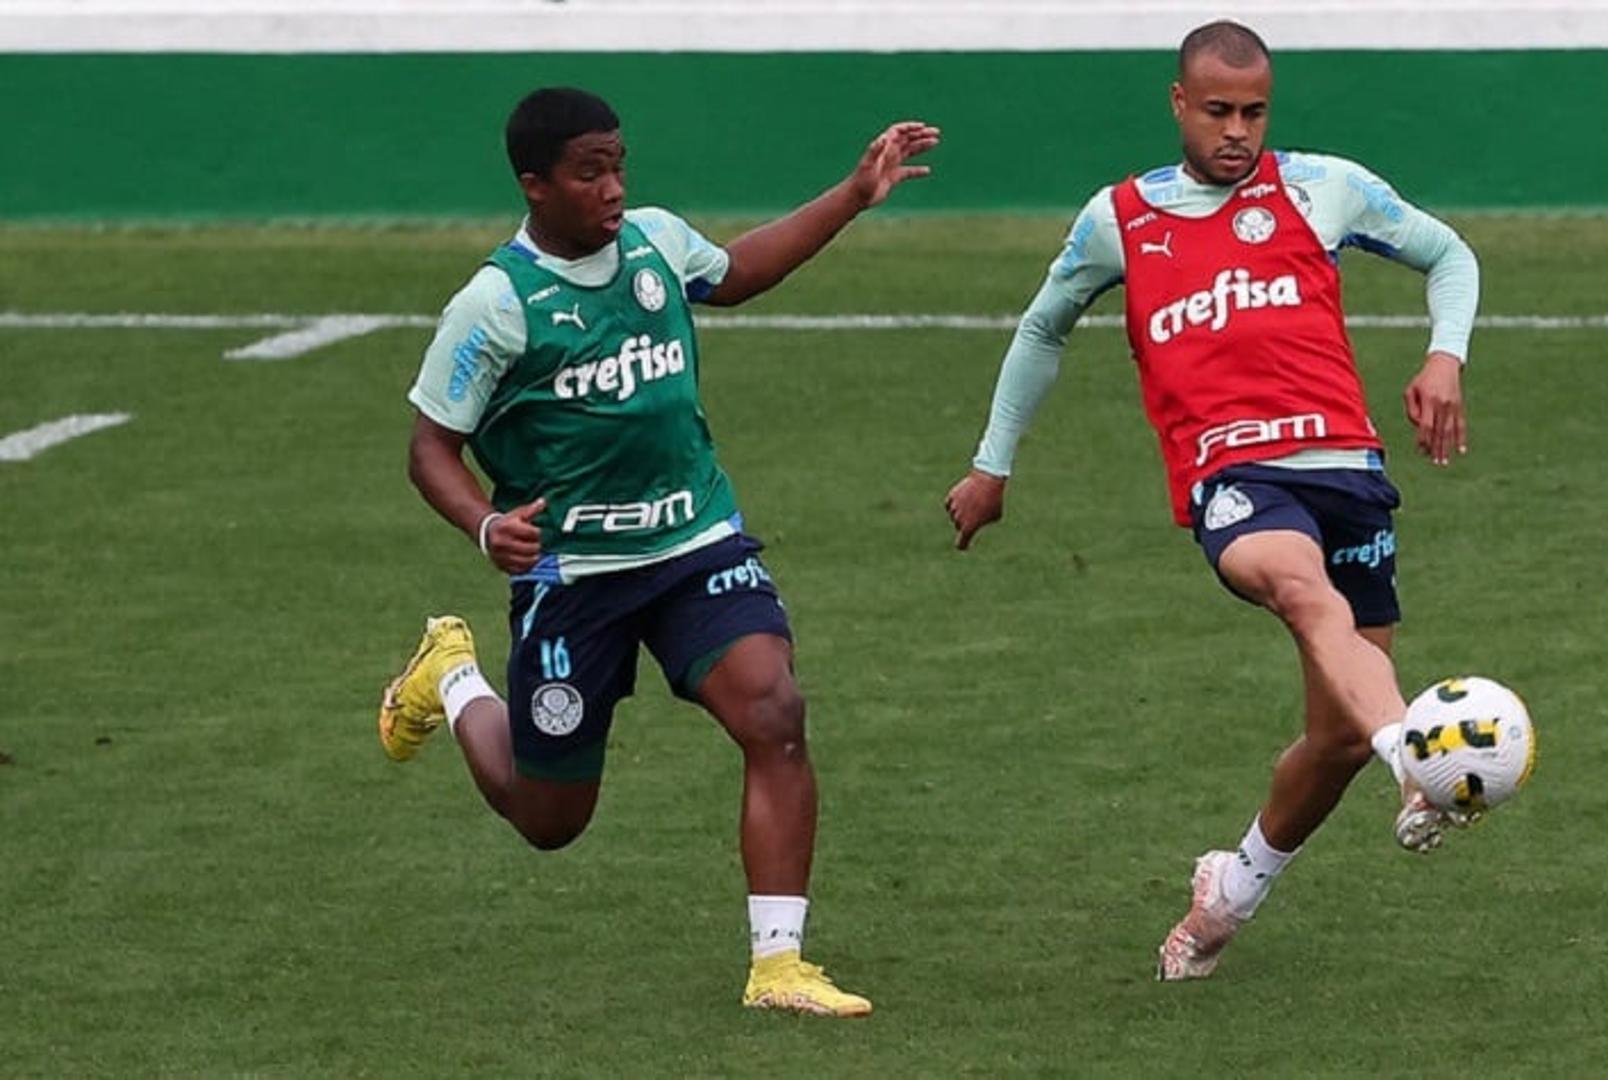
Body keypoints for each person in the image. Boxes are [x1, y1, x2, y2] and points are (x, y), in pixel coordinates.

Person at [377, 87, 938, 1017]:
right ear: (535, 185)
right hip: (575, 580)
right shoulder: (495, 305)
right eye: (589, 172)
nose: (613, 188)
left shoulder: (658, 243)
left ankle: (778, 966)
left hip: (694, 541)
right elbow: (430, 446)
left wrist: (850, 193)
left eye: (619, 165)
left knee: (775, 710)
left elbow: (740, 272)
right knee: (549, 819)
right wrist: (484, 523)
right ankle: (455, 677)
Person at [943, 21, 1482, 981]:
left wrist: (1445, 355)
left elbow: (1451, 255)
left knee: (1331, 740)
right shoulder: (1120, 218)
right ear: (1180, 104)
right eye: (1220, 111)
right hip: (1233, 479)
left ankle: (1230, 891)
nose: (1238, 131)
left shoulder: (1325, 188)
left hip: (1347, 473)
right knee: (1303, 593)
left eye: (1255, 111)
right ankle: (1415, 756)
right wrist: (992, 466)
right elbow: (1042, 329)